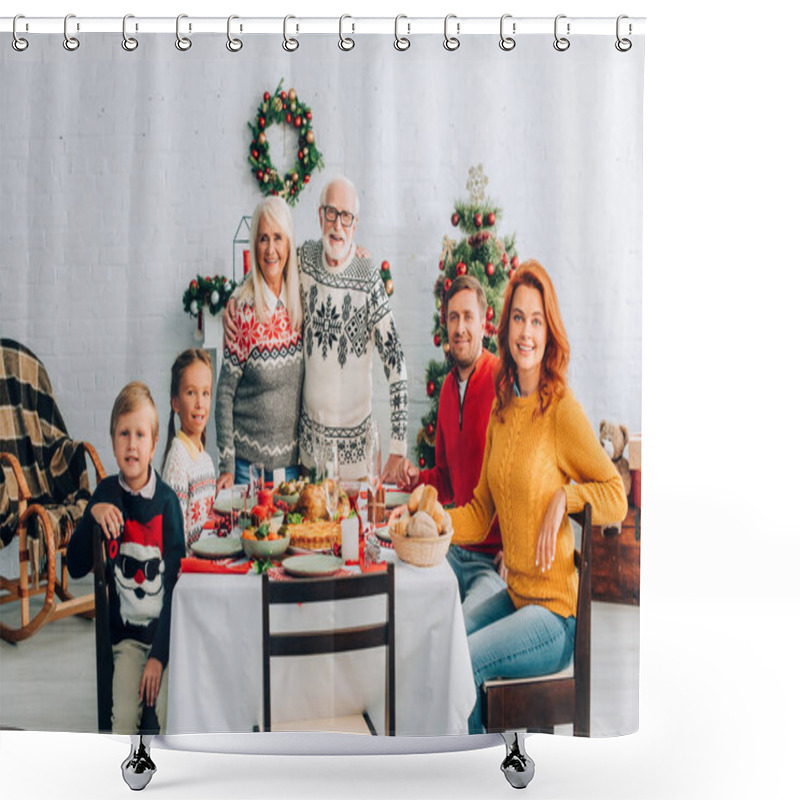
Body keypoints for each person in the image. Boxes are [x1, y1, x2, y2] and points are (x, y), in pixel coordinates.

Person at [397, 260, 628, 734]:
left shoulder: (560, 409)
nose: (526, 331)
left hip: (554, 615)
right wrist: (432, 515)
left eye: (537, 320)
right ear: (505, 328)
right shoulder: (502, 412)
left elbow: (615, 495)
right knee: (445, 642)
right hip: (518, 596)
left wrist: (567, 497)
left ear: (549, 332)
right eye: (518, 318)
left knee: (468, 660)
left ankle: (475, 776)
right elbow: (481, 513)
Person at [224, 176, 408, 483]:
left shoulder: (369, 278)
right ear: (319, 216)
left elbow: (396, 362)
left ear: (355, 223)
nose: (338, 225)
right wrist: (236, 296)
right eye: (331, 213)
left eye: (346, 216)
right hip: (308, 458)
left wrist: (398, 448)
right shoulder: (305, 261)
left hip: (358, 464)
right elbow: (270, 263)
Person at [66, 381, 185, 735]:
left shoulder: (167, 504)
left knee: (170, 720)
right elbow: (74, 566)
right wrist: (92, 514)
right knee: (122, 726)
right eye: (123, 434)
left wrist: (160, 657)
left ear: (153, 444)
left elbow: (176, 586)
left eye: (140, 435)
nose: (131, 444)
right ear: (113, 439)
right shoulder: (105, 495)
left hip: (166, 636)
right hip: (127, 642)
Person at [398, 275, 506, 614]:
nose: (460, 327)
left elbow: (529, 476)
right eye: (453, 317)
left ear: (484, 322)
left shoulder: (503, 380)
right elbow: (445, 479)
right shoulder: (446, 390)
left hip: (493, 560)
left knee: (461, 631)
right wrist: (417, 478)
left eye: (468, 317)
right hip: (454, 547)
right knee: (407, 605)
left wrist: (517, 549)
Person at [215, 196, 304, 490]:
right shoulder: (244, 309)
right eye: (263, 239)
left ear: (289, 244)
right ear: (254, 246)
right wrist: (226, 465)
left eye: (278, 237)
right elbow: (225, 393)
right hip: (246, 469)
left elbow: (332, 261)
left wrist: (360, 255)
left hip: (291, 469)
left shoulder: (301, 302)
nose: (271, 249)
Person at [161, 349, 217, 547]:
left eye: (205, 393)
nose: (200, 403)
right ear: (175, 402)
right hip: (189, 573)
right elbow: (174, 540)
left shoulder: (206, 460)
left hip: (205, 562)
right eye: (191, 393)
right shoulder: (178, 461)